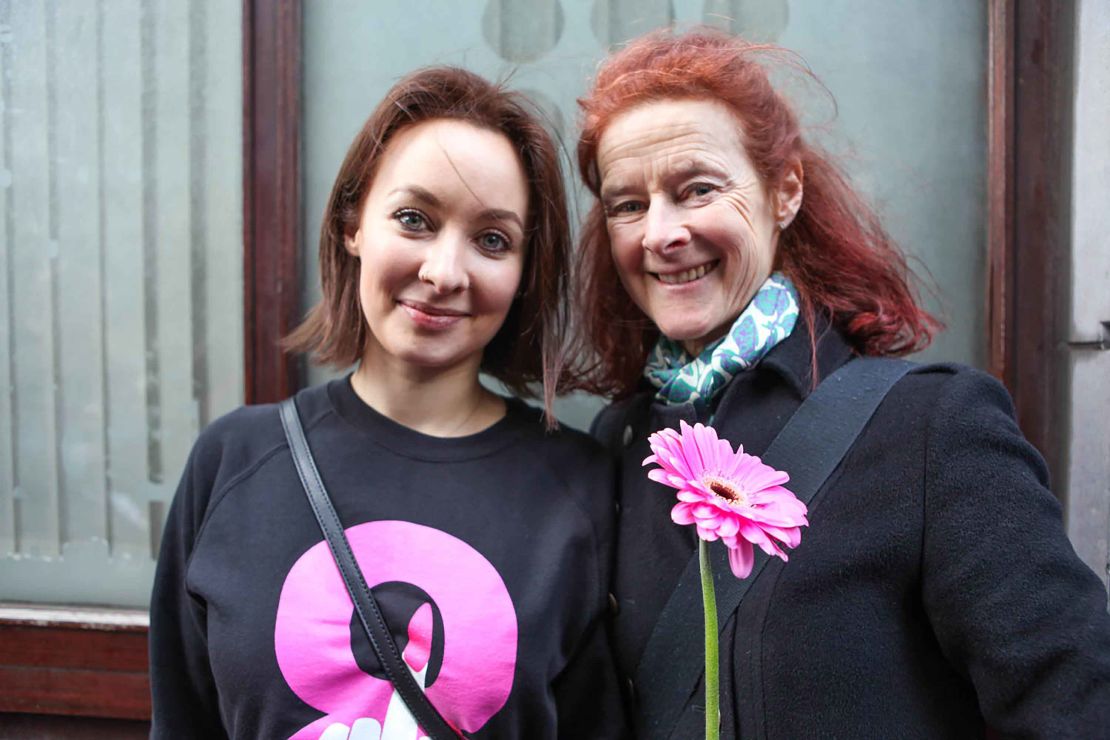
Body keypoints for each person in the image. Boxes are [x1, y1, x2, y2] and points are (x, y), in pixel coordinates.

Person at [574, 28, 1110, 737]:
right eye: (628, 205)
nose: (660, 233)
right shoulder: (622, 441)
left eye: (697, 189)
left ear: (784, 191)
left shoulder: (931, 427)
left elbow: (1072, 702)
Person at [150, 67, 627, 739]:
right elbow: (182, 721)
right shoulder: (234, 460)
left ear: (524, 273)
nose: (443, 272)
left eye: (492, 240)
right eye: (414, 219)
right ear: (353, 225)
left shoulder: (577, 487)